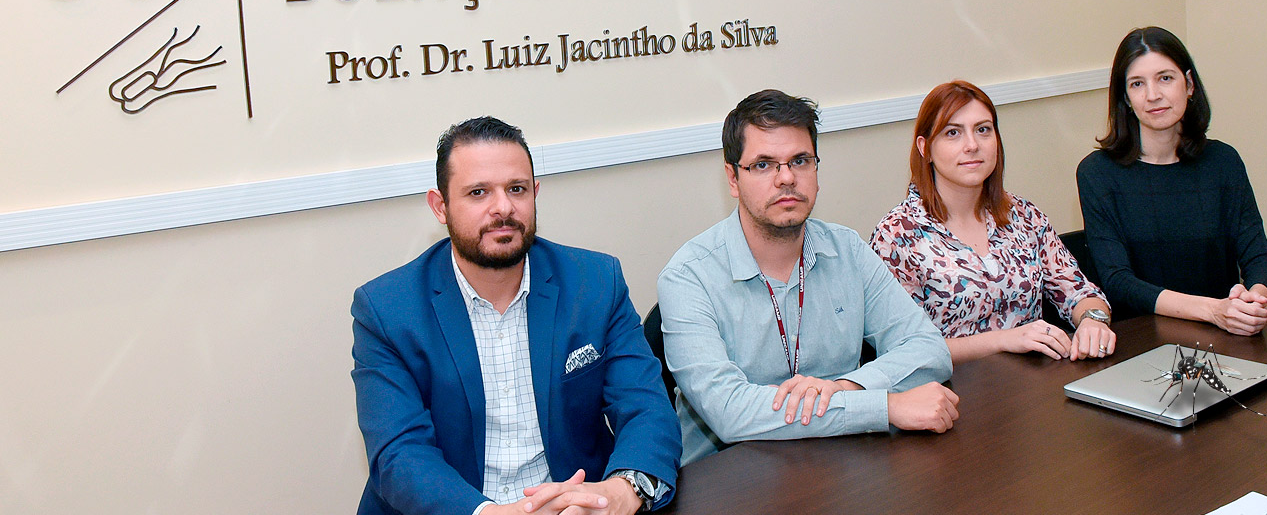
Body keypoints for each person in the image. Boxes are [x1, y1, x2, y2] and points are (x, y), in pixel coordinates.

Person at [350, 117, 681, 515]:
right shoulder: (387, 309)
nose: (503, 208)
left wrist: (621, 492)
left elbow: (646, 406)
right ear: (441, 206)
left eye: (517, 189)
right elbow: (400, 455)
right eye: (478, 193)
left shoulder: (595, 284)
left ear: (535, 194)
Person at [657, 89, 956, 466]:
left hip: (840, 467)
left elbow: (928, 349)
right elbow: (730, 411)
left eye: (800, 160)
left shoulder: (847, 249)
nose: (786, 178)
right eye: (763, 164)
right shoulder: (688, 277)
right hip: (730, 480)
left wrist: (842, 388)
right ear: (733, 179)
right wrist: (880, 406)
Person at [870, 81, 1116, 364]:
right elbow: (904, 350)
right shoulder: (897, 234)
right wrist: (1005, 340)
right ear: (925, 148)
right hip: (949, 395)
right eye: (953, 133)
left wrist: (1092, 320)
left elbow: (1079, 291)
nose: (972, 145)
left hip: (1036, 384)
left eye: (983, 130)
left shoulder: (1023, 215)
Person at [1077, 27, 1267, 336]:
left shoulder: (1223, 162)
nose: (1153, 95)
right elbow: (1117, 281)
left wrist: (1254, 300)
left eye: (1165, 78)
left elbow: (1258, 256)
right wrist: (1213, 311)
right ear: (1126, 98)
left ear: (1189, 84)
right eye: (1137, 84)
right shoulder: (1097, 173)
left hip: (1225, 337)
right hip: (1140, 341)